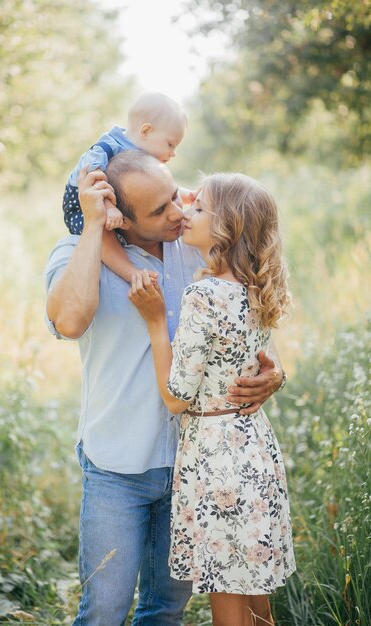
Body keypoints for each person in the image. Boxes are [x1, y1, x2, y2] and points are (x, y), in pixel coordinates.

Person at [44, 151, 286, 626]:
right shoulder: (78, 251)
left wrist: (274, 372)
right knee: (104, 612)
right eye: (159, 210)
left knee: (165, 611)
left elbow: (247, 331)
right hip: (119, 466)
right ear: (120, 217)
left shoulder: (197, 244)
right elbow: (69, 321)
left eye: (178, 196)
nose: (178, 212)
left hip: (193, 467)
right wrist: (92, 228)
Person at [129, 172, 296, 626]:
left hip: (217, 460)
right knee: (256, 599)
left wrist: (155, 321)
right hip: (254, 448)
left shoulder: (203, 295)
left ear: (228, 228)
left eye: (199, 210)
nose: (185, 213)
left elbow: (177, 397)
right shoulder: (255, 290)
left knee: (228, 601)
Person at [62, 91, 192, 284]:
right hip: (82, 204)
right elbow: (93, 182)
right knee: (102, 231)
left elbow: (154, 189)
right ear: (146, 131)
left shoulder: (138, 154)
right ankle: (130, 273)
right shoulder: (107, 148)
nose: (173, 153)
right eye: (170, 144)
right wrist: (108, 208)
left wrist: (188, 195)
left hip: (111, 199)